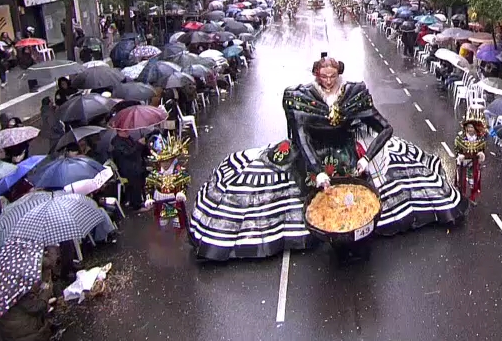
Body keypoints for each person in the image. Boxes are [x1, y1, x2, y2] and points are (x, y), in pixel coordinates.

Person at [189, 54, 468, 260]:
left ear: (339, 75)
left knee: (365, 188)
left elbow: (385, 128)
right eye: (323, 76)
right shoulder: (298, 98)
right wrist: (317, 169)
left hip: (346, 151)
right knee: (281, 183)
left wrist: (368, 157)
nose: (328, 80)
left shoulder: (356, 95)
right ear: (316, 76)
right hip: (310, 153)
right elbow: (300, 136)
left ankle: (354, 231)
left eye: (333, 76)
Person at [144, 135, 191, 230]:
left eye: (167, 161)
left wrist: (182, 193)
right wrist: (149, 198)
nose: (165, 164)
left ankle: (178, 242)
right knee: (161, 225)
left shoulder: (178, 171)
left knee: (178, 224)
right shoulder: (155, 172)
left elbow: (184, 184)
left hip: (175, 201)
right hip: (160, 201)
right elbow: (149, 186)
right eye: (162, 161)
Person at [110, 131, 148, 211]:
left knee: (143, 174)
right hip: (127, 169)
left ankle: (138, 200)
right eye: (124, 130)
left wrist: (141, 144)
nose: (127, 131)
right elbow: (128, 153)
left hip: (135, 165)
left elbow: (135, 150)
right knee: (135, 179)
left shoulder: (129, 138)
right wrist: (139, 144)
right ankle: (136, 205)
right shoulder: (117, 142)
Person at [454, 118, 487, 204]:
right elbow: (457, 149)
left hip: (474, 162)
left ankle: (473, 197)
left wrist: (481, 154)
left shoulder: (480, 139)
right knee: (461, 180)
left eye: (472, 127)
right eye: (468, 127)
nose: (470, 129)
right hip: (463, 162)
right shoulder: (460, 138)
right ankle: (462, 196)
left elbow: (482, 149)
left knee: (474, 180)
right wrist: (459, 156)